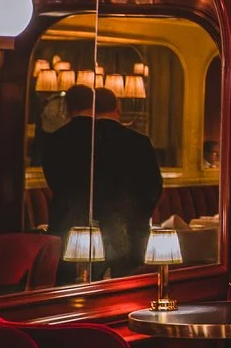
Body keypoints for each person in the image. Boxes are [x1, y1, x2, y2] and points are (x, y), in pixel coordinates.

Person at [38, 84, 163, 276]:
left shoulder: (57, 139)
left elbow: (55, 182)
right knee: (126, 287)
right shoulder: (136, 141)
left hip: (70, 226)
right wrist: (135, 217)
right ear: (117, 107)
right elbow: (152, 188)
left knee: (73, 286)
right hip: (125, 231)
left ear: (67, 108)